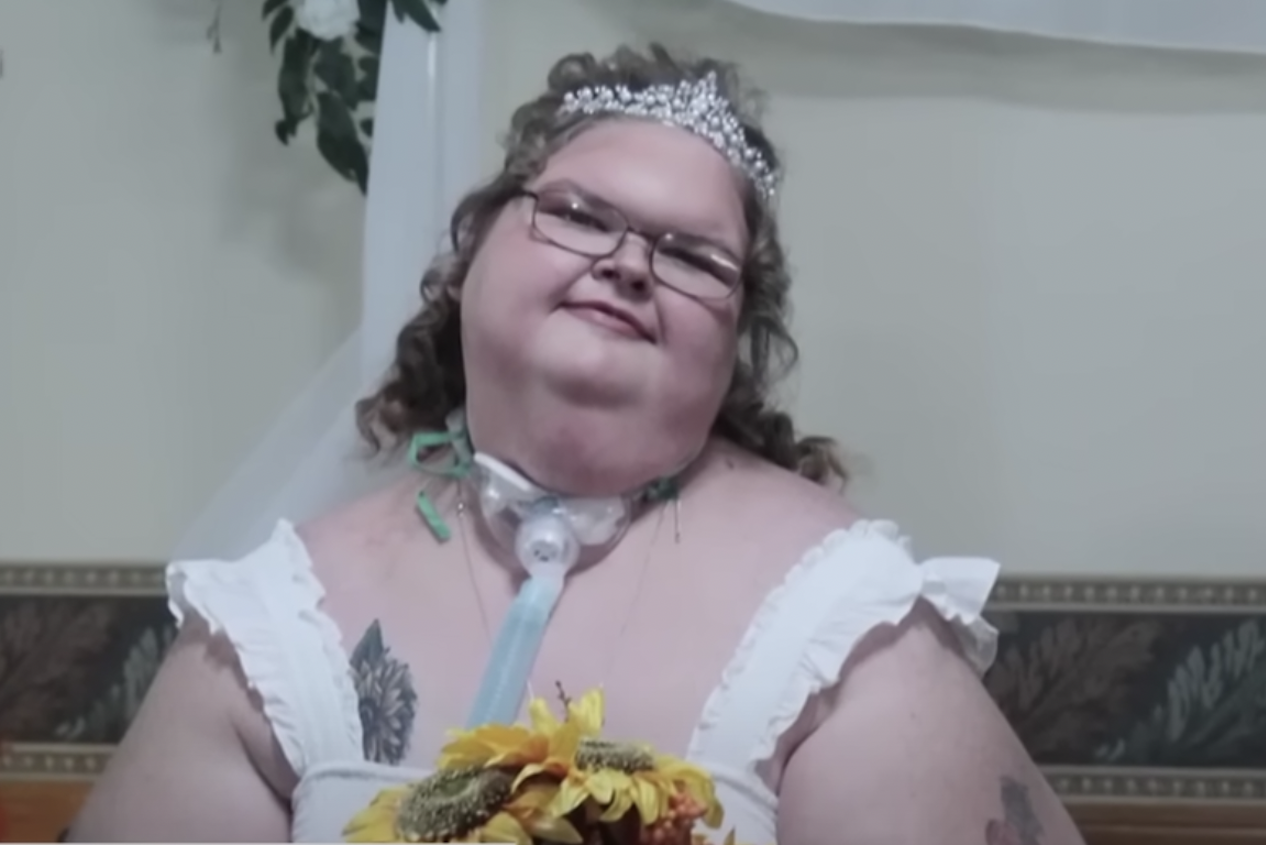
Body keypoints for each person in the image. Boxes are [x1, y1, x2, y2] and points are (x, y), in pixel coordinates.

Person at [69, 44, 1085, 845]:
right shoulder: (271, 630)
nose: (630, 264)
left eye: (694, 257)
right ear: (469, 256)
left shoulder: (846, 624)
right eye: (581, 215)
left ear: (737, 341)